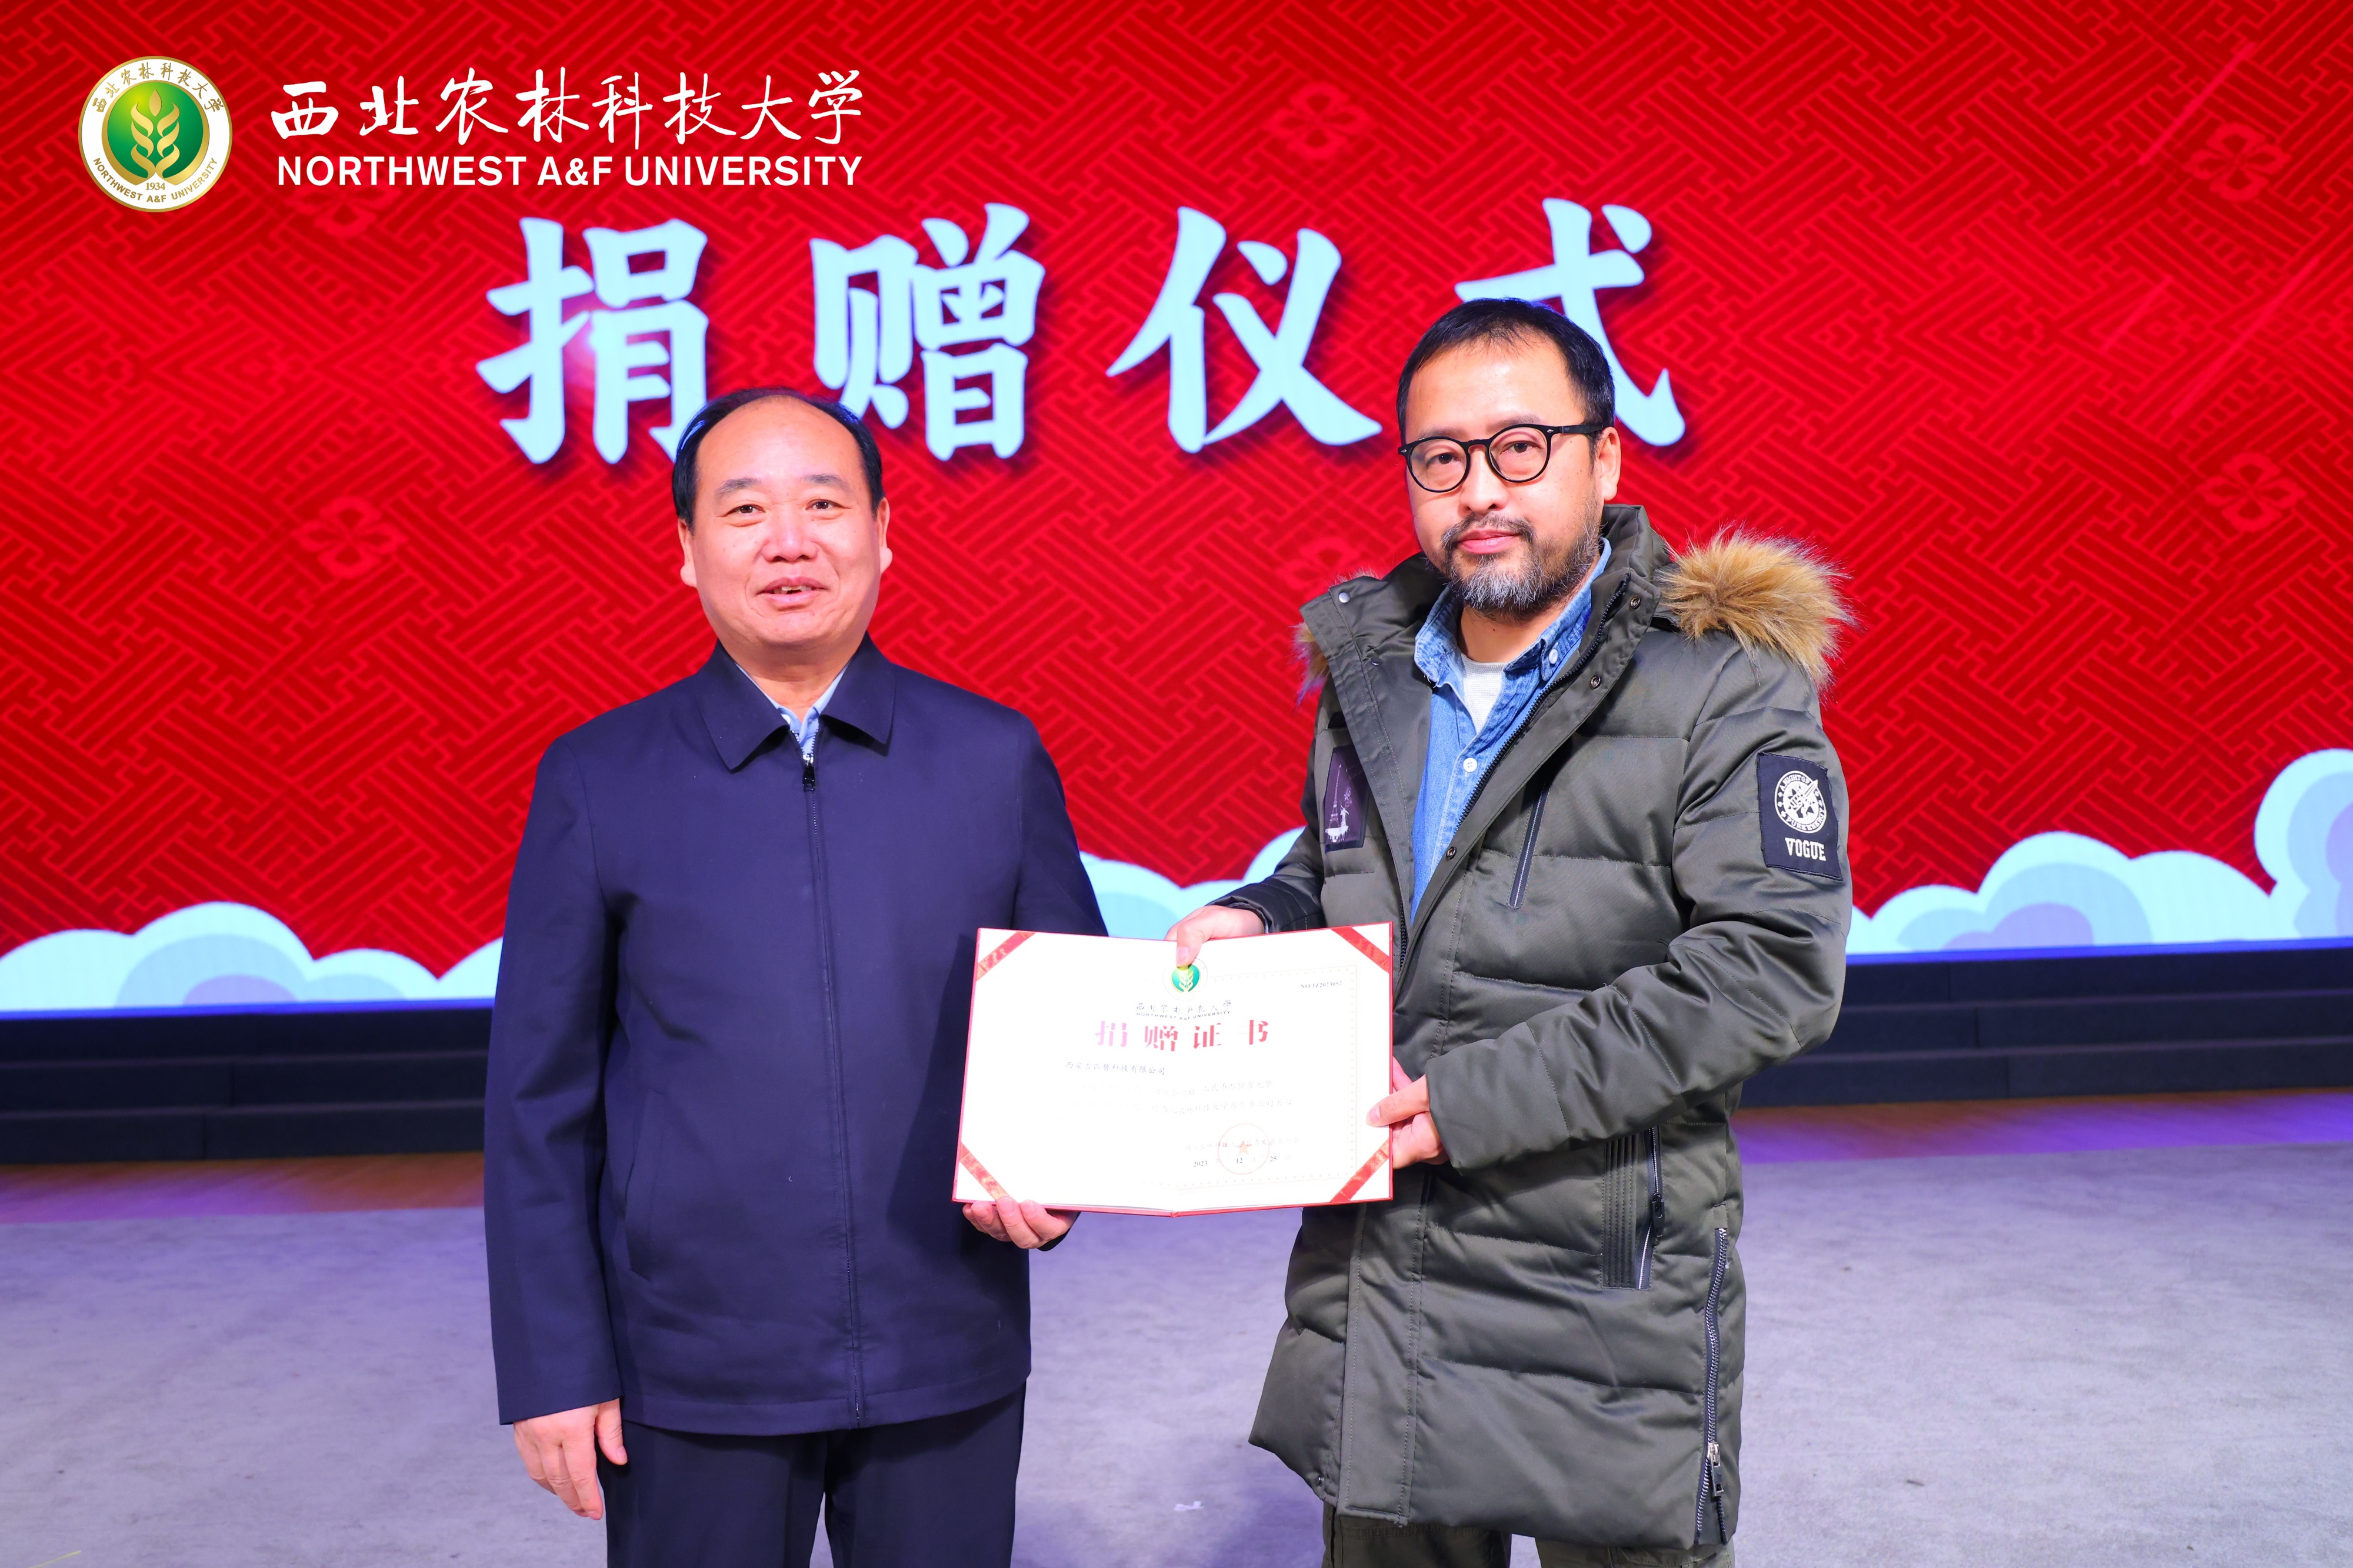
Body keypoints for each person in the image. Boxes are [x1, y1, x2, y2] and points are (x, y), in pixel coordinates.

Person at [1168, 299, 1850, 1567]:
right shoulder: (1368, 671)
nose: (1478, 489)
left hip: (1601, 1276)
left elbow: (1769, 971)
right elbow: (1343, 869)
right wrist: (1263, 913)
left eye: (1520, 447)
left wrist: (1465, 1103)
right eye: (1440, 457)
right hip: (1385, 1264)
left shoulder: (1721, 680)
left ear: (1605, 459)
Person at [484, 387, 1102, 1568]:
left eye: (823, 504)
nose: (788, 541)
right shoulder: (599, 778)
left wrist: (1058, 1168)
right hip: (690, 1363)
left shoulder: (992, 757)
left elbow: (1073, 1027)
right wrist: (554, 1362)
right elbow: (538, 1101)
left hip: (944, 1344)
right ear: (686, 549)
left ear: (882, 532)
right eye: (744, 510)